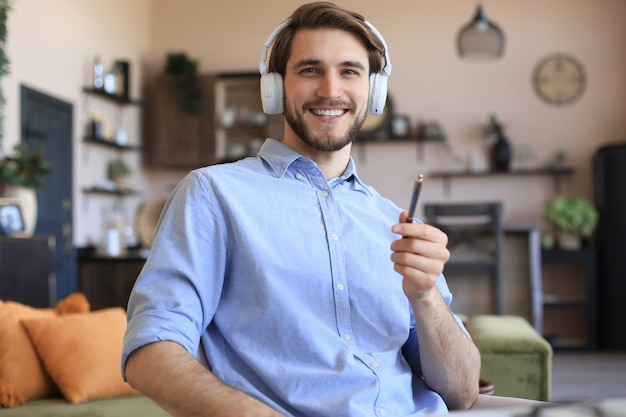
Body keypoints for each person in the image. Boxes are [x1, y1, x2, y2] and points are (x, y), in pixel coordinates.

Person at [122, 2, 483, 416]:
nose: (330, 90)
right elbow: (148, 350)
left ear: (373, 91)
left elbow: (462, 391)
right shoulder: (213, 195)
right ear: (274, 88)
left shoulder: (393, 222)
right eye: (310, 70)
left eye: (350, 71)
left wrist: (426, 296)